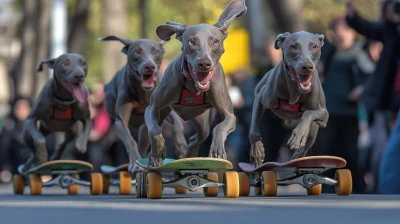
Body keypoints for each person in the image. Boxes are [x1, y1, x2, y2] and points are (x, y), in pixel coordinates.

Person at [346, 0, 400, 194]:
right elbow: (369, 28)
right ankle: (386, 191)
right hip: (388, 101)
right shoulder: (390, 31)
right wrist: (353, 17)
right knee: (385, 149)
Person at [308, 16, 363, 194]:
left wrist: (361, 89)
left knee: (349, 154)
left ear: (353, 32)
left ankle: (353, 189)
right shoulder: (328, 53)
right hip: (326, 112)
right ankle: (323, 187)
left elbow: (372, 77)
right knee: (324, 152)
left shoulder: (360, 52)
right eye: (338, 32)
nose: (341, 35)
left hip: (350, 112)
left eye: (345, 31)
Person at [0, 96, 32, 183]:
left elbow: (48, 149)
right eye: (18, 108)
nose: (21, 111)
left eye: (24, 108)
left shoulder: (36, 126)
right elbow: (3, 151)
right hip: (14, 169)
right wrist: (5, 169)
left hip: (33, 167)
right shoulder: (9, 128)